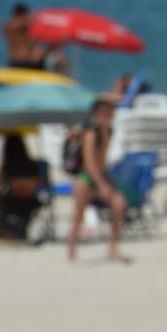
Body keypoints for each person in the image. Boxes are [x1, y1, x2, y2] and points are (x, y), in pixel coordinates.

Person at [66, 98, 129, 264]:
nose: (112, 114)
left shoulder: (107, 130)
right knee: (78, 216)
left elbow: (102, 158)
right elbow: (89, 162)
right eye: (109, 111)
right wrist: (101, 184)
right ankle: (72, 252)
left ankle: (112, 247)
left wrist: (105, 180)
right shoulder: (91, 132)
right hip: (85, 177)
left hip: (101, 175)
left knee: (119, 204)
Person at [0, 134, 45, 241]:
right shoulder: (34, 165)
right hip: (32, 202)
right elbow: (41, 184)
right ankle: (21, 229)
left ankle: (4, 231)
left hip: (13, 202)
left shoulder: (8, 166)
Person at [2, 2, 42, 69]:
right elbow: (32, 20)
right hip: (26, 60)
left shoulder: (6, 27)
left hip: (13, 60)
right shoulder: (22, 24)